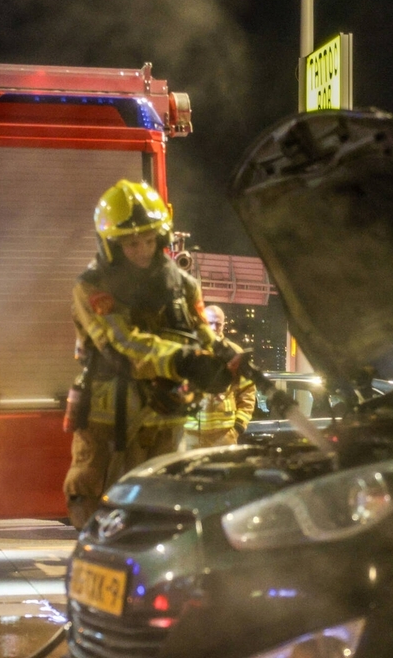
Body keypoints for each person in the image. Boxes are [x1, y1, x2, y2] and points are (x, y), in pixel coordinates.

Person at [62, 179, 236, 529]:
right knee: (100, 516)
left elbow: (202, 334)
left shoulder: (183, 286)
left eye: (148, 240)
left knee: (162, 518)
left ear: (162, 239)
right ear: (111, 245)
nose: (142, 250)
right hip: (109, 426)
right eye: (130, 243)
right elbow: (124, 343)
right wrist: (181, 360)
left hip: (166, 420)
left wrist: (223, 361)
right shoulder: (91, 287)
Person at [184, 305, 256, 448]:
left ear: (223, 325)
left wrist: (238, 427)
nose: (214, 327)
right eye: (210, 322)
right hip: (189, 436)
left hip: (223, 437)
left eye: (218, 324)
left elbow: (248, 392)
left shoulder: (234, 353)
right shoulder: (188, 351)